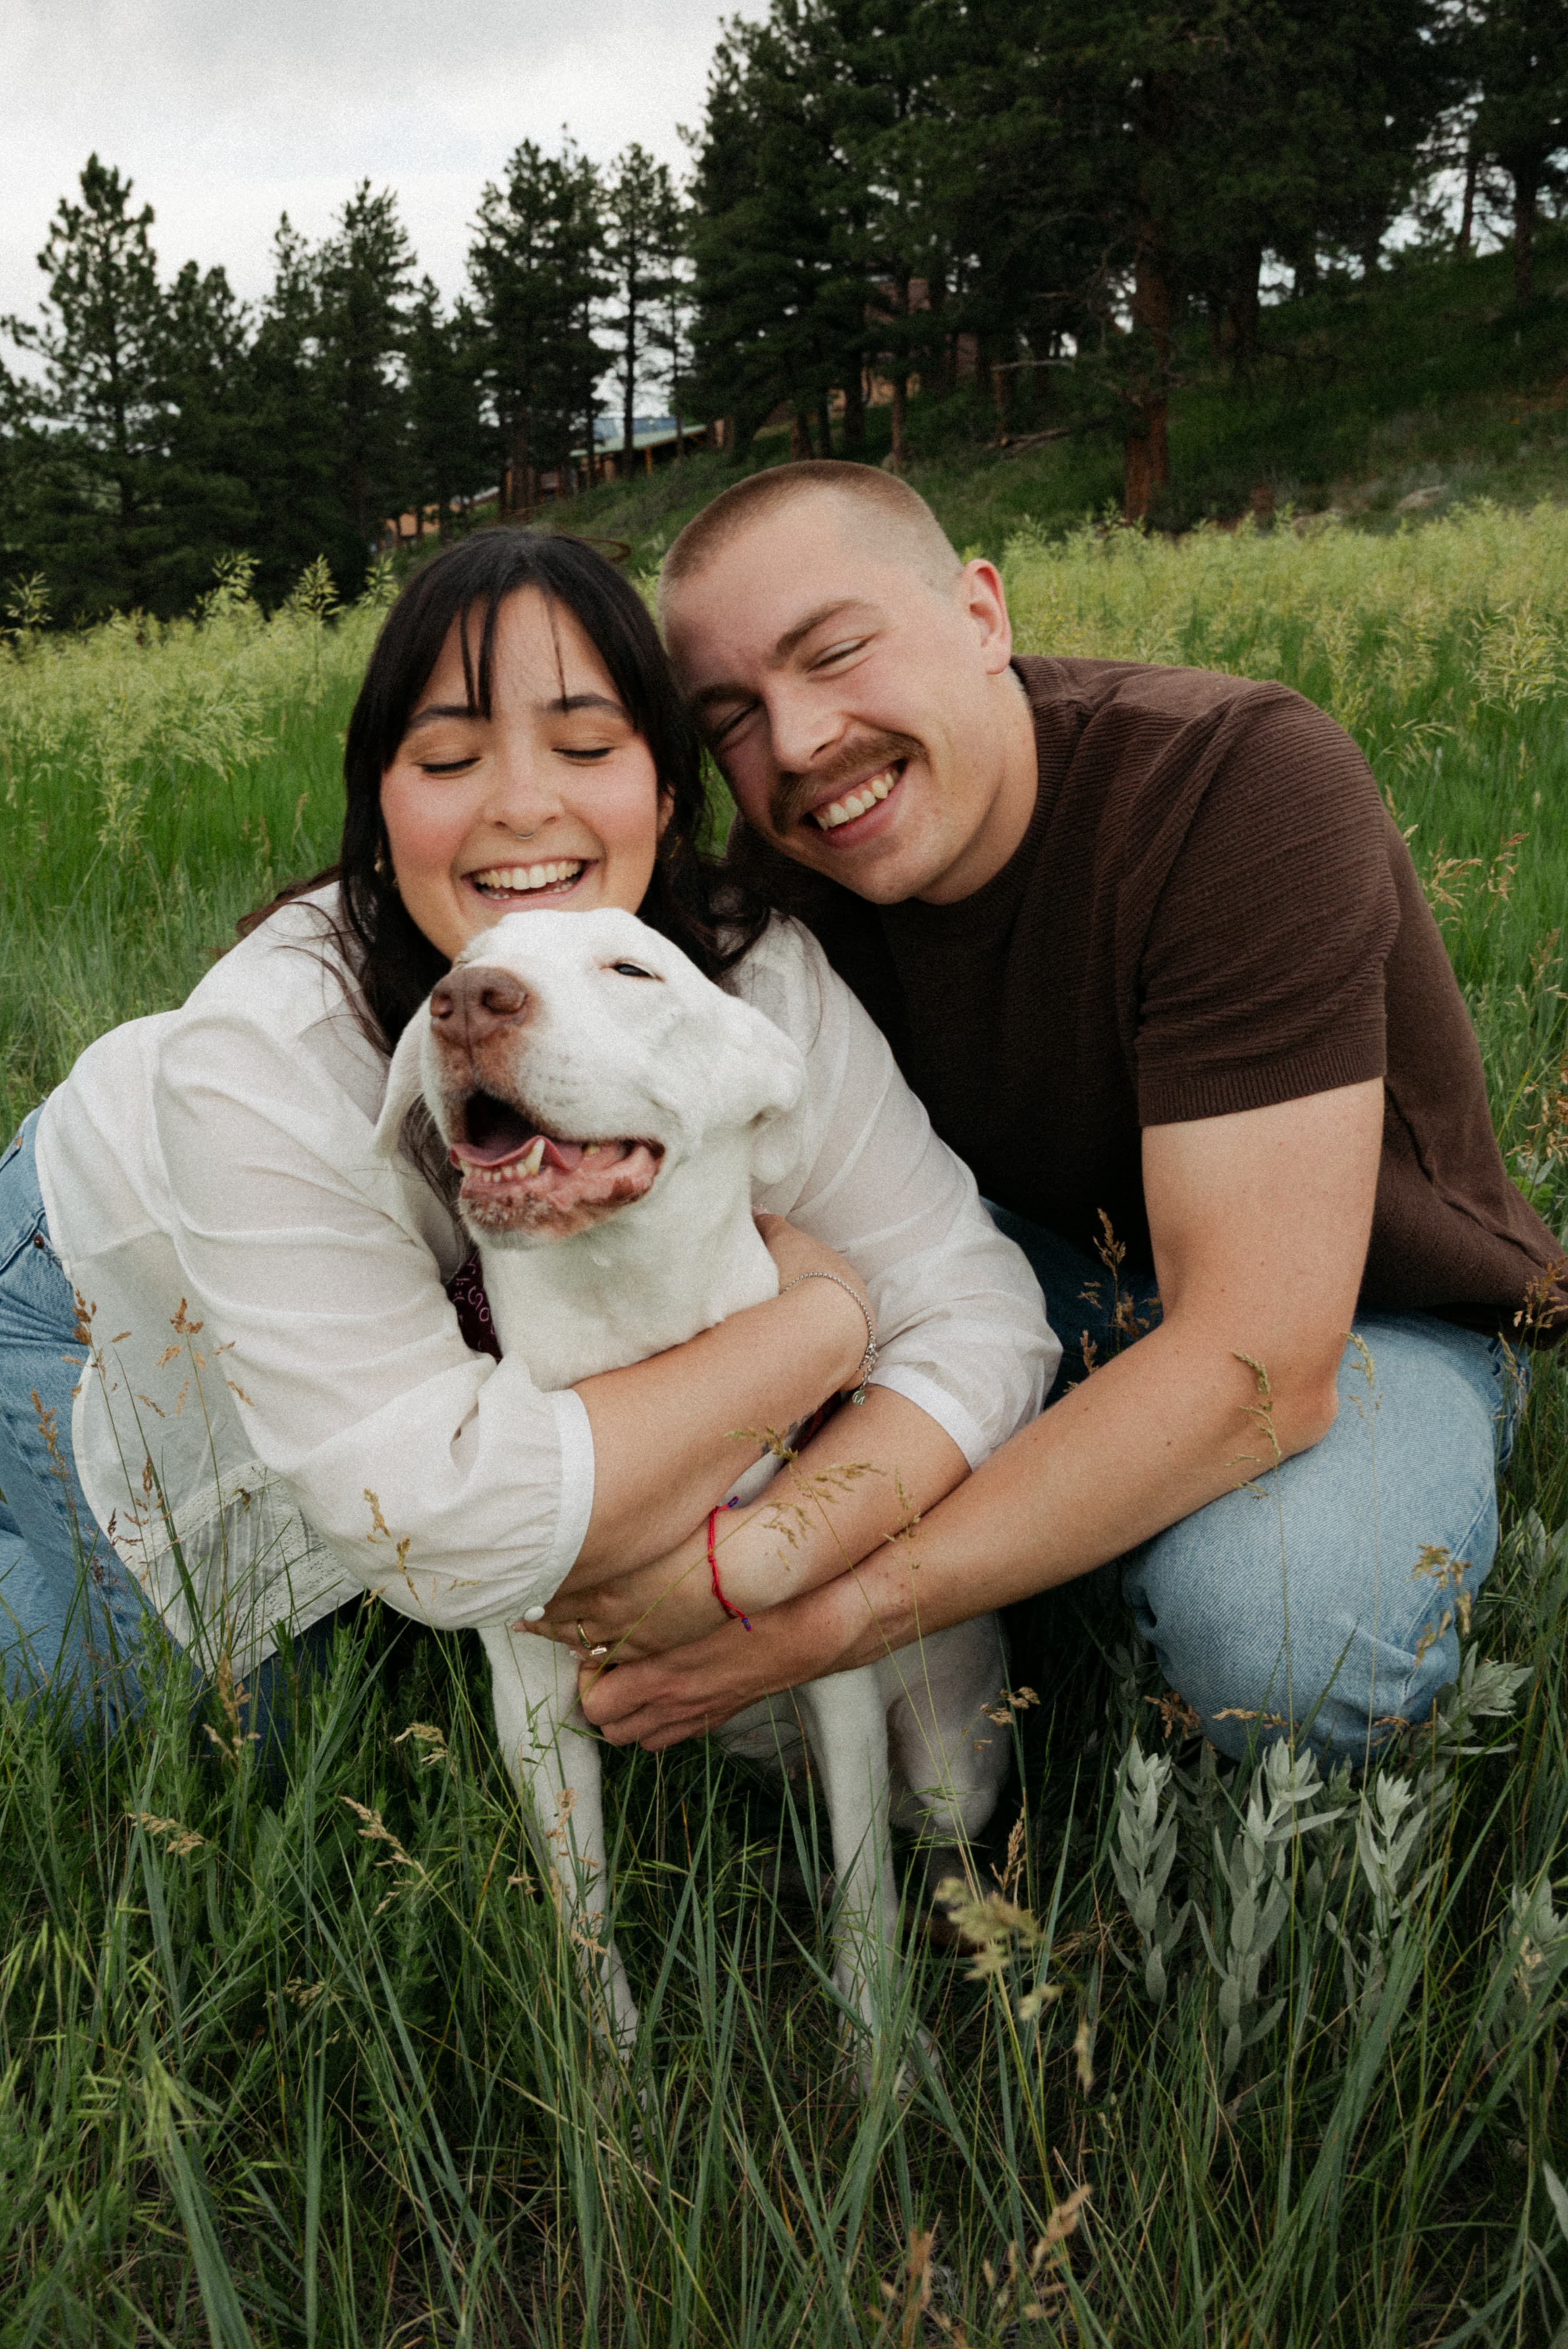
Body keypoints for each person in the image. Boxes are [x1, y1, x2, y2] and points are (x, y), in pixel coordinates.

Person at [0, 528, 1055, 1756]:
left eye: (586, 745)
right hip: (104, 1276)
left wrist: (767, 1562)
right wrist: (824, 1325)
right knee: (221, 1724)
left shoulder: (743, 988)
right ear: (379, 811)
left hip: (388, 1345)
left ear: (669, 795)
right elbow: (430, 1523)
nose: (523, 803)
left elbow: (984, 1310)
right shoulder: (265, 1045)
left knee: (466, 1598)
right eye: (450, 756)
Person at [542, 464, 1565, 1768]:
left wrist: (815, 1615)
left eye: (839, 652)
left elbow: (1257, 1359)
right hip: (1011, 1279)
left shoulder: (1234, 784)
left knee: (1284, 1642)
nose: (797, 745)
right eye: (732, 715)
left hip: (1356, 1311)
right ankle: (1070, 1527)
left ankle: (1115, 1552)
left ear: (980, 615)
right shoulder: (784, 889)